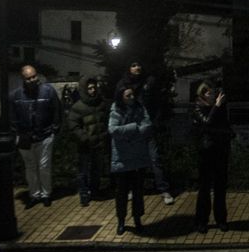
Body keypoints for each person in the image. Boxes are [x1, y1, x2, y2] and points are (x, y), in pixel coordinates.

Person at [117, 60, 175, 205]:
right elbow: (119, 106)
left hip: (147, 126)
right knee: (132, 160)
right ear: (128, 68)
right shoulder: (123, 84)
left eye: (139, 64)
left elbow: (158, 103)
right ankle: (132, 189)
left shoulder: (149, 82)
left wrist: (155, 121)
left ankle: (163, 189)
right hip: (131, 128)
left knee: (155, 158)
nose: (137, 67)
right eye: (133, 65)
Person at [9, 64, 61, 207]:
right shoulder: (15, 96)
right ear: (23, 79)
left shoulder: (48, 91)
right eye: (28, 78)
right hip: (25, 137)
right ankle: (34, 194)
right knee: (30, 166)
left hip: (45, 134)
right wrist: (17, 132)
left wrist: (54, 129)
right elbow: (12, 117)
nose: (32, 80)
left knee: (44, 166)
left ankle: (45, 194)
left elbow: (57, 110)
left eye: (34, 76)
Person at [108, 85, 153, 235]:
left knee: (138, 191)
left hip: (138, 156)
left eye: (132, 95)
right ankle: (121, 220)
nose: (132, 98)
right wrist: (134, 128)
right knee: (121, 192)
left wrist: (129, 131)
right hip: (123, 158)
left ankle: (137, 219)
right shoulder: (116, 110)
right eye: (128, 96)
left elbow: (147, 125)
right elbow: (113, 130)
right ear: (121, 97)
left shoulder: (140, 108)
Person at [191, 81, 233, 234]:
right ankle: (201, 221)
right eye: (209, 93)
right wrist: (216, 106)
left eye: (213, 92)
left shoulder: (219, 108)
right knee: (204, 188)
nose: (213, 95)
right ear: (202, 94)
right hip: (206, 152)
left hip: (220, 150)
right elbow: (208, 122)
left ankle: (221, 219)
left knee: (220, 187)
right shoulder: (198, 107)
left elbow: (224, 125)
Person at [66, 75, 110, 206]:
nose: (93, 90)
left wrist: (105, 134)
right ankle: (84, 193)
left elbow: (106, 121)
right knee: (83, 171)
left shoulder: (101, 103)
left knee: (96, 169)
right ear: (84, 89)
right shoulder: (78, 107)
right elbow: (73, 125)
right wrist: (84, 137)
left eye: (94, 87)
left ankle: (95, 190)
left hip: (99, 143)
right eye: (89, 88)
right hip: (85, 145)